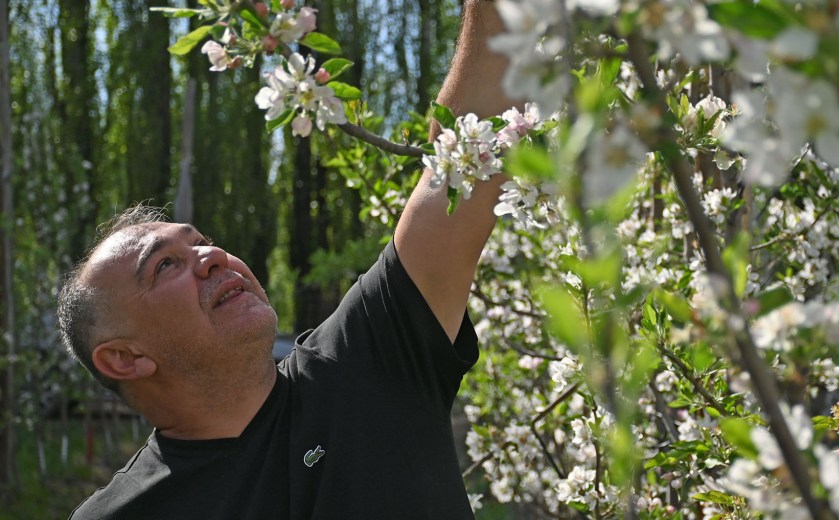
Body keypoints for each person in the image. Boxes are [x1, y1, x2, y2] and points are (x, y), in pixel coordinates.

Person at [58, 1, 518, 518]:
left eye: (201, 241)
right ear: (124, 358)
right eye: (164, 265)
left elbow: (466, 152)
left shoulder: (371, 359)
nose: (212, 256)